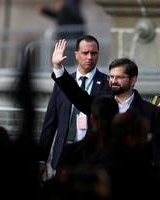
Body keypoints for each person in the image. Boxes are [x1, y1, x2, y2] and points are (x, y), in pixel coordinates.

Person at [50, 39, 160, 171]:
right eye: (111, 77)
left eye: (119, 77)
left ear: (133, 80)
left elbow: (159, 155)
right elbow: (77, 96)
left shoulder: (151, 112)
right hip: (102, 177)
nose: (113, 81)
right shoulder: (101, 104)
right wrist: (58, 69)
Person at [38, 35, 111, 180]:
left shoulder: (106, 83)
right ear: (76, 55)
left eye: (94, 53)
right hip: (63, 155)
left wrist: (59, 70)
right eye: (85, 53)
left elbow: (85, 102)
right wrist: (41, 158)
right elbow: (50, 121)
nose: (89, 57)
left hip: (90, 156)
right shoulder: (63, 82)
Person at [37, 0, 85, 66]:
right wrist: (46, 11)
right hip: (66, 34)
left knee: (67, 56)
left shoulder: (69, 3)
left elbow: (70, 17)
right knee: (64, 57)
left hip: (70, 34)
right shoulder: (66, 3)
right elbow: (61, 15)